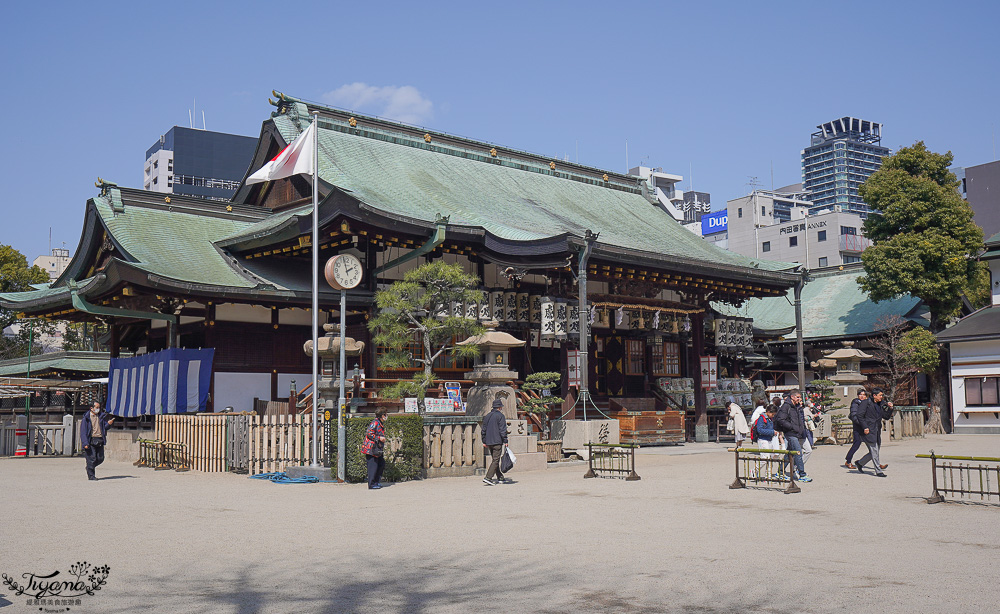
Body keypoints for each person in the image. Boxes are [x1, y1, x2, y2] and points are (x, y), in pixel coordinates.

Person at [775, 392, 812, 482]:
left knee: (789, 454)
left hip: (797, 432)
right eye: (798, 397)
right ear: (792, 397)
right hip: (790, 433)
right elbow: (780, 419)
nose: (799, 399)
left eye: (800, 397)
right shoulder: (786, 406)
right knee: (798, 452)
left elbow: (800, 419)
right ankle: (802, 474)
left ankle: (780, 472)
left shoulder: (797, 406)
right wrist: (791, 427)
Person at [854, 388, 889, 477]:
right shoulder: (866, 403)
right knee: (874, 450)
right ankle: (878, 471)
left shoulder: (880, 403)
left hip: (877, 430)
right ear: (874, 395)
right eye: (880, 395)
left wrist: (890, 408)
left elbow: (886, 416)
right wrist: (865, 426)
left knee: (874, 451)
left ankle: (860, 463)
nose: (882, 397)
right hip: (868, 430)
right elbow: (859, 415)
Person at [81, 400, 114, 481]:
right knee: (91, 458)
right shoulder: (86, 418)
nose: (98, 409)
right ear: (91, 408)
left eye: (99, 407)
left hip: (99, 438)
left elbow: (104, 428)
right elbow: (83, 431)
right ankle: (91, 475)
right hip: (91, 439)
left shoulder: (101, 416)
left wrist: (109, 424)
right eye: (97, 407)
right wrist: (85, 442)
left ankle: (89, 466)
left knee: (100, 458)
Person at [481, 399, 509, 485]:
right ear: (500, 407)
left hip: (489, 441)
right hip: (497, 441)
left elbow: (483, 430)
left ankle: (500, 477)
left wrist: (484, 440)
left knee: (494, 460)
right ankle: (488, 477)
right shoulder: (500, 416)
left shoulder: (487, 416)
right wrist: (505, 440)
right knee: (496, 460)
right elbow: (502, 429)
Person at [361, 408, 388, 489]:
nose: (386, 416)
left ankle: (376, 482)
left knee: (381, 463)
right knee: (373, 466)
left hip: (376, 448)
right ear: (382, 415)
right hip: (371, 448)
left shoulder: (379, 423)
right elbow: (369, 433)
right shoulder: (375, 422)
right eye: (385, 414)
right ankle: (372, 484)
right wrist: (379, 438)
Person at [844, 389, 868, 469]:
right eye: (861, 394)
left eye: (864, 395)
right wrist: (862, 424)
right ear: (858, 395)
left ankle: (877, 463)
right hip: (858, 427)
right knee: (856, 444)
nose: (862, 396)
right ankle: (848, 461)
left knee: (872, 445)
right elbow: (854, 415)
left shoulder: (867, 403)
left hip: (866, 427)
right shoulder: (855, 402)